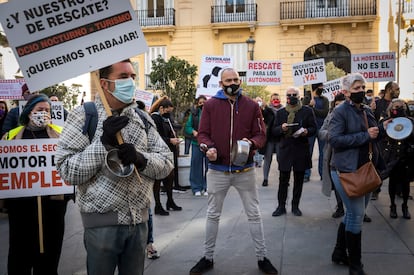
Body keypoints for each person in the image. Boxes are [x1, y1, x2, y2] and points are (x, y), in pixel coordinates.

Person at [56, 59, 174, 275]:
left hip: (139, 223)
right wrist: (103, 143)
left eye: (132, 77)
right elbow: (67, 170)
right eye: (123, 77)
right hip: (101, 225)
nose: (130, 81)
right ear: (104, 83)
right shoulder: (83, 115)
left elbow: (166, 163)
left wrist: (141, 159)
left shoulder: (142, 117)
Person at [189, 68, 278, 275]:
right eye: (228, 80)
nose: (232, 83)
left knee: (254, 214)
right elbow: (203, 134)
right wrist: (208, 147)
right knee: (212, 215)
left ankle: (262, 257)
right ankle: (208, 257)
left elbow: (261, 134)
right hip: (217, 170)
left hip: (244, 170)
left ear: (240, 81)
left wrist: (252, 142)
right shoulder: (210, 105)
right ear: (220, 84)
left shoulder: (250, 106)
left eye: (236, 79)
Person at [328, 73, 389, 275]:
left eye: (363, 88)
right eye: (356, 89)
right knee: (356, 215)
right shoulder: (340, 112)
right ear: (345, 93)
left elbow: (373, 132)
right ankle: (355, 265)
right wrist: (365, 136)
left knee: (355, 213)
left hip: (364, 168)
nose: (361, 91)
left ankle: (339, 252)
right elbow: (335, 140)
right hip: (345, 170)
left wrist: (382, 127)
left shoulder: (364, 109)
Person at [2, 94, 68, 275]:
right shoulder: (10, 136)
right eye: (40, 110)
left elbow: (67, 166)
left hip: (52, 208)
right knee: (19, 255)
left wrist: (65, 193)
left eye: (47, 110)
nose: (44, 114)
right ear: (29, 112)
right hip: (21, 208)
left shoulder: (60, 134)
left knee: (50, 255)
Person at [271, 87, 316, 217]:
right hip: (285, 149)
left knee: (299, 179)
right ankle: (281, 206)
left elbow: (314, 128)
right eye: (289, 94)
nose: (292, 96)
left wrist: (306, 131)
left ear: (299, 95)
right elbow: (274, 131)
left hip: (300, 148)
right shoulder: (280, 112)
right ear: (286, 97)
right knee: (283, 179)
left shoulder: (307, 111)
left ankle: (295, 206)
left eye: (294, 94)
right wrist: (282, 128)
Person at [381, 99, 414, 219]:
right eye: (396, 106)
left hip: (407, 156)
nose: (399, 108)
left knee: (406, 183)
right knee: (393, 182)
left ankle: (405, 206)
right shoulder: (386, 122)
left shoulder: (411, 121)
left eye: (401, 106)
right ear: (391, 108)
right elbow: (381, 137)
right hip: (392, 156)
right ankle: (392, 205)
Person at [150, 96, 183, 215]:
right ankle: (158, 205)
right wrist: (170, 140)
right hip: (159, 152)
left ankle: (170, 201)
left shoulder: (166, 119)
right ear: (162, 108)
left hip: (169, 151)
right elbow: (155, 137)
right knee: (158, 179)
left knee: (170, 178)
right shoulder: (155, 118)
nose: (169, 114)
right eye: (168, 111)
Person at [371, 81, 400, 200]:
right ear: (389, 90)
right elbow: (373, 121)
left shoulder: (399, 104)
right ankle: (375, 189)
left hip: (396, 140)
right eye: (396, 89)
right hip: (381, 141)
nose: (398, 91)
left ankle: (399, 191)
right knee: (379, 165)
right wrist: (372, 110)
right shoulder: (377, 104)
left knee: (397, 166)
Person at [319, 93, 346, 218]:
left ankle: (360, 209)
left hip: (350, 154)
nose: (338, 107)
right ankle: (340, 206)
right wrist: (330, 135)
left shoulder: (353, 115)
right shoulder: (330, 116)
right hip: (333, 153)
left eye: (341, 105)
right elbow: (321, 132)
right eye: (336, 105)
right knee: (336, 182)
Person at [302, 83, 329, 182]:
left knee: (323, 152)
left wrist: (313, 109)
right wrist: (309, 105)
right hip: (310, 128)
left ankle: (323, 174)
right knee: (308, 151)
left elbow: (324, 113)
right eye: (320, 87)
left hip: (322, 128)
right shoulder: (306, 98)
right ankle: (306, 174)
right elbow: (303, 111)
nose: (322, 89)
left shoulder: (325, 100)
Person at [185, 95, 208, 196]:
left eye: (204, 102)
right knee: (196, 165)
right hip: (196, 143)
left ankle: (207, 187)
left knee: (209, 166)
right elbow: (188, 127)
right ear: (197, 104)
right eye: (200, 102)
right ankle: (196, 187)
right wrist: (193, 131)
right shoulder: (193, 114)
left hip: (209, 143)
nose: (202, 104)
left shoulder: (211, 113)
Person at [261, 93, 284, 186]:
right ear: (270, 100)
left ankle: (283, 177)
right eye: (274, 99)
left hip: (280, 138)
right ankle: (265, 179)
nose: (275, 100)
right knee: (267, 159)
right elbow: (261, 115)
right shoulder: (267, 110)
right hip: (270, 139)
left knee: (281, 159)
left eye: (277, 99)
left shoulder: (284, 110)